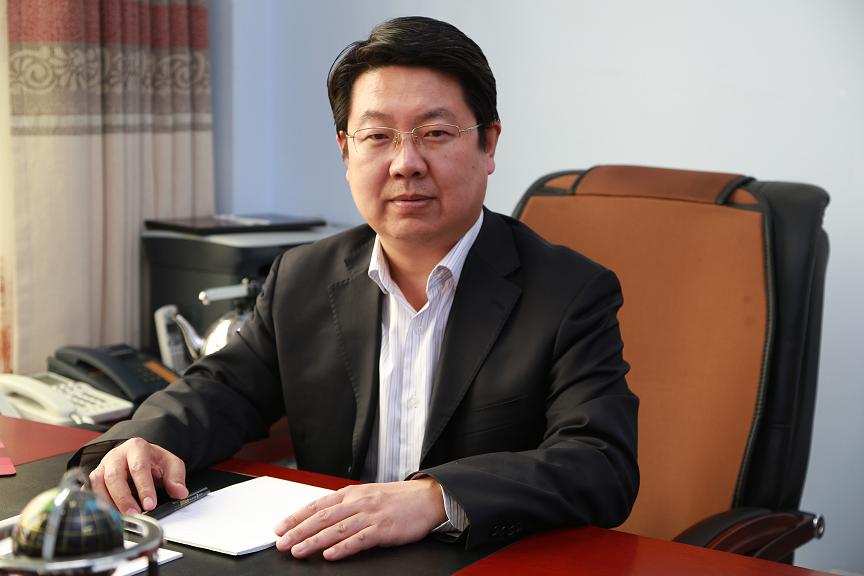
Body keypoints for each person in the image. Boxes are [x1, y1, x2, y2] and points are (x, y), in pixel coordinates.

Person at [70, 16, 639, 561]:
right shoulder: (303, 277)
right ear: (346, 150)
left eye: (435, 133)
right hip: (332, 559)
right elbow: (221, 390)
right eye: (378, 136)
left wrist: (436, 498)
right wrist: (138, 443)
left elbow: (600, 464)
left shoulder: (568, 292)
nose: (406, 163)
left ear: (488, 144)